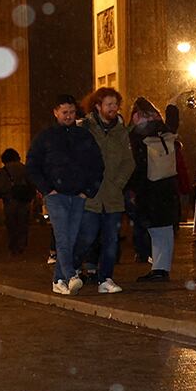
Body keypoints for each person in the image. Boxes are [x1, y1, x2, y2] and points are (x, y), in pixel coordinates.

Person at [26, 91, 105, 296]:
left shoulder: (84, 136)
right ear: (55, 113)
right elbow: (32, 165)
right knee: (63, 236)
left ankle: (58, 280)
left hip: (77, 195)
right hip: (55, 196)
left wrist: (88, 191)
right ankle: (71, 275)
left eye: (71, 112)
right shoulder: (45, 137)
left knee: (71, 237)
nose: (68, 116)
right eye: (64, 112)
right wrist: (47, 189)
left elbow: (97, 165)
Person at [79, 87, 135, 294]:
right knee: (87, 237)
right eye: (109, 104)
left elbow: (129, 163)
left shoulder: (121, 131)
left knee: (111, 240)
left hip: (112, 196)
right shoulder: (85, 128)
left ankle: (106, 278)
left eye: (116, 104)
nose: (113, 108)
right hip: (91, 196)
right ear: (98, 106)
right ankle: (72, 269)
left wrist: (117, 183)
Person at [129, 97, 189, 282]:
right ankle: (161, 268)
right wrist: (171, 105)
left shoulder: (137, 136)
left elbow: (137, 166)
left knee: (152, 229)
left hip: (149, 188)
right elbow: (173, 121)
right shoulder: (165, 130)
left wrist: (132, 189)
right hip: (168, 186)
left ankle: (156, 267)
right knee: (164, 229)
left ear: (137, 115)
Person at [0, 148, 34, 256]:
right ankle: (22, 245)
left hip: (10, 200)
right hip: (24, 200)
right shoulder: (25, 169)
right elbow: (32, 183)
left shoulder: (3, 171)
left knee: (11, 224)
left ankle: (13, 245)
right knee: (23, 224)